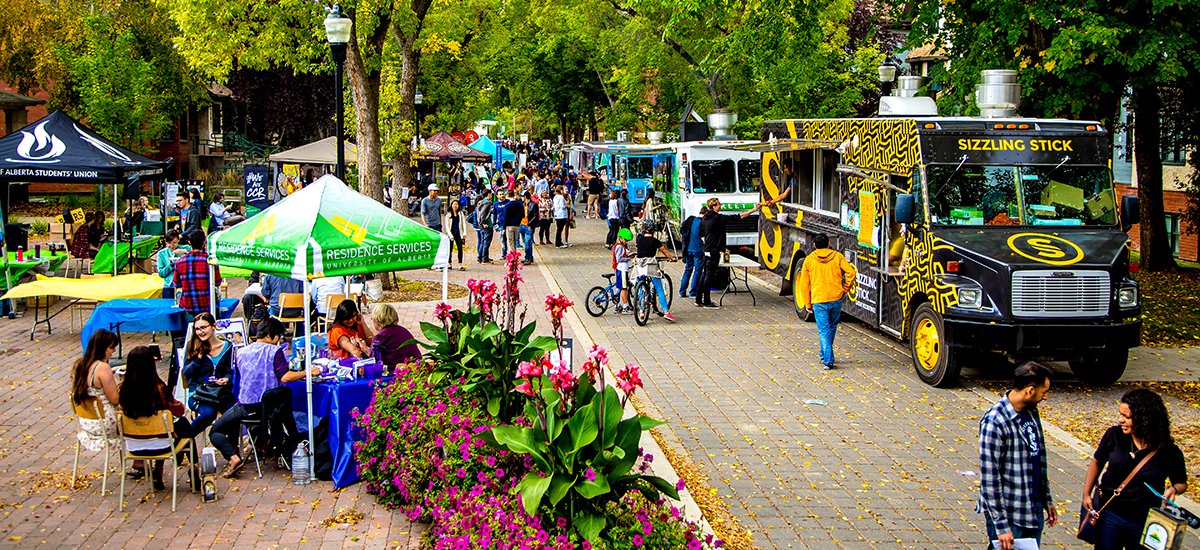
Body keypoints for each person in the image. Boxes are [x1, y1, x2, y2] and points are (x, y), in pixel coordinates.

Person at [1082, 388, 1188, 550]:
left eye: (1126, 417)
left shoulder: (1169, 452)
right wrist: (1086, 494)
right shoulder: (1114, 435)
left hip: (1144, 521)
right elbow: (1097, 461)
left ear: (1145, 419)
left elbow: (1181, 482)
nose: (1120, 420)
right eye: (1120, 415)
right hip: (1110, 514)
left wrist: (1174, 489)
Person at [209, 318, 314, 478]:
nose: (279, 340)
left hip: (245, 406)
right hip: (269, 410)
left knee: (215, 431)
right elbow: (285, 377)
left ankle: (232, 457)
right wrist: (307, 372)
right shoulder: (274, 351)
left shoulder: (240, 352)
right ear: (270, 335)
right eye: (278, 336)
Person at [978, 362, 1057, 550]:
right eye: (1043, 392)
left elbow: (1038, 458)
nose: (1045, 397)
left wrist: (1046, 499)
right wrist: (1001, 525)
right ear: (1029, 390)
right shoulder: (994, 422)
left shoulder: (1031, 411)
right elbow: (990, 478)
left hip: (1033, 508)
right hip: (1010, 514)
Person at [118, 345, 197, 490]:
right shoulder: (158, 388)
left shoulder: (123, 389)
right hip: (160, 446)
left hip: (134, 446)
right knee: (183, 424)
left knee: (162, 425)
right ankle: (194, 467)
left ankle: (158, 470)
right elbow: (178, 410)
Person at [796, 233, 857, 369]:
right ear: (829, 244)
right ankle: (824, 353)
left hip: (819, 299)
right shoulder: (837, 256)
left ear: (814, 245)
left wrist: (807, 303)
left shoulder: (809, 260)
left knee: (823, 330)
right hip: (836, 298)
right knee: (831, 327)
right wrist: (845, 289)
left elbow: (805, 284)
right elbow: (851, 273)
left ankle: (828, 360)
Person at [695, 198, 761, 309]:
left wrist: (707, 242)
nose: (721, 205)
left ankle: (698, 299)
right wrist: (754, 209)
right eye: (719, 204)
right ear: (714, 206)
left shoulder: (705, 217)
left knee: (705, 273)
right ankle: (707, 301)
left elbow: (701, 233)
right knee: (709, 276)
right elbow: (738, 216)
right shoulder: (717, 218)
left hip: (706, 249)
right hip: (713, 250)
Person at [181, 313, 236, 434]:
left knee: (235, 413)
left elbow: (228, 371)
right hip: (199, 393)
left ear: (213, 326)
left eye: (203, 327)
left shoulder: (227, 346)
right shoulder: (193, 345)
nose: (200, 332)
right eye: (197, 329)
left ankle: (233, 447)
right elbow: (186, 374)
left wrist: (226, 379)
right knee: (209, 414)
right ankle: (185, 439)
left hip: (220, 392)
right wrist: (198, 358)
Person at [71, 329, 120, 454]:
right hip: (106, 422)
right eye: (112, 347)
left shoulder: (80, 364)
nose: (114, 351)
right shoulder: (103, 368)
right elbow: (114, 400)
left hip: (87, 421)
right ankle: (140, 461)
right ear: (102, 347)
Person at [634, 220, 677, 322]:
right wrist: (672, 258)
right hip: (650, 265)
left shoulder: (639, 239)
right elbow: (665, 251)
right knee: (659, 288)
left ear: (644, 229)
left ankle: (641, 310)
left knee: (641, 287)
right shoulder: (655, 241)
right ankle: (666, 311)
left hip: (639, 266)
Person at [173, 230, 222, 316]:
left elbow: (176, 283)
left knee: (192, 328)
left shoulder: (180, 262)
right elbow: (217, 282)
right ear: (204, 242)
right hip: (209, 305)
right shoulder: (211, 261)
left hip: (189, 305)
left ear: (189, 243)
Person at [678, 207, 708, 299]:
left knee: (687, 270)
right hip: (698, 249)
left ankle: (682, 291)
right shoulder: (702, 223)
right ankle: (693, 291)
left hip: (688, 249)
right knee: (697, 271)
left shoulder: (691, 220)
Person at [156, 229, 190, 299]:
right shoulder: (161, 253)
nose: (171, 246)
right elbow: (161, 273)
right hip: (169, 285)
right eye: (169, 243)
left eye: (174, 243)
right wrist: (170, 265)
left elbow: (195, 254)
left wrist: (185, 251)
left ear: (178, 240)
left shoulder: (186, 248)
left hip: (184, 285)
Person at [612, 228, 633, 314]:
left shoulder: (620, 246)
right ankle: (625, 306)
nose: (626, 241)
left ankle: (617, 305)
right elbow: (619, 258)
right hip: (622, 269)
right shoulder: (619, 246)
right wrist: (629, 258)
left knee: (620, 287)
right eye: (625, 240)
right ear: (620, 238)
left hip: (620, 269)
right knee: (624, 288)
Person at [444, 199, 467, 271]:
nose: (455, 206)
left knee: (460, 248)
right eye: (454, 204)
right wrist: (450, 236)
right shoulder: (448, 215)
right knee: (449, 249)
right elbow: (447, 226)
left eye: (456, 204)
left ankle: (460, 264)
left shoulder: (460, 214)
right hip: (451, 233)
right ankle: (449, 263)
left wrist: (464, 233)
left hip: (458, 232)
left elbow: (463, 223)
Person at [474, 189, 494, 264]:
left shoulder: (480, 203)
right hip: (487, 224)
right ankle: (484, 258)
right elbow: (483, 214)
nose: (491, 196)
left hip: (481, 225)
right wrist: (483, 222)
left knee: (482, 241)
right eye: (491, 194)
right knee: (486, 242)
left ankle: (480, 257)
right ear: (488, 194)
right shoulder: (487, 203)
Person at [503, 190, 523, 257]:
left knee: (510, 242)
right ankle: (514, 255)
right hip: (517, 225)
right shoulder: (520, 204)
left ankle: (512, 257)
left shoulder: (507, 206)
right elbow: (523, 215)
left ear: (508, 196)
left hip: (509, 225)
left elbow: (505, 217)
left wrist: (503, 228)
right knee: (514, 241)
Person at [521, 192, 537, 265]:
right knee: (526, 242)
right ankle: (529, 256)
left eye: (522, 197)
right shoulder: (523, 205)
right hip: (522, 224)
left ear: (525, 197)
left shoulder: (533, 205)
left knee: (527, 241)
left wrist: (530, 223)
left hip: (528, 225)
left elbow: (535, 216)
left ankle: (527, 257)